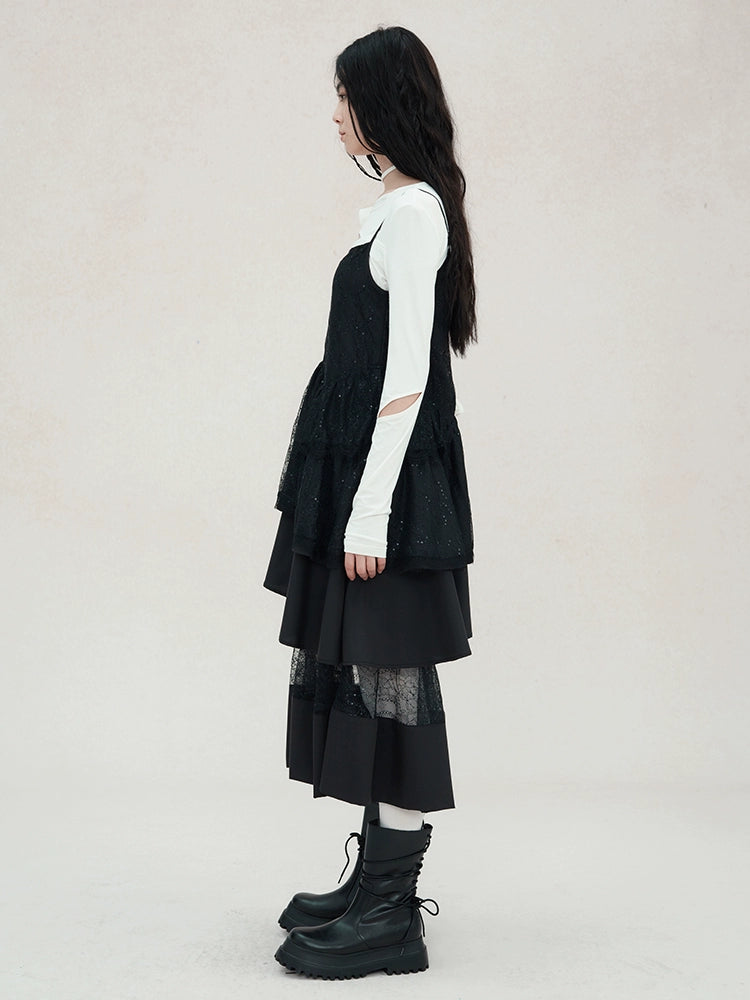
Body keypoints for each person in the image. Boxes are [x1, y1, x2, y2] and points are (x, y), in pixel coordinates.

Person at [263, 25, 476, 979]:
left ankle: (392, 914)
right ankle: (372, 889)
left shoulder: (418, 216)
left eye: (346, 96)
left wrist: (368, 512)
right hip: (358, 473)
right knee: (365, 671)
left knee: (392, 677)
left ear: (382, 104)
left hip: (387, 490)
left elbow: (408, 380)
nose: (336, 114)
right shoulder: (390, 213)